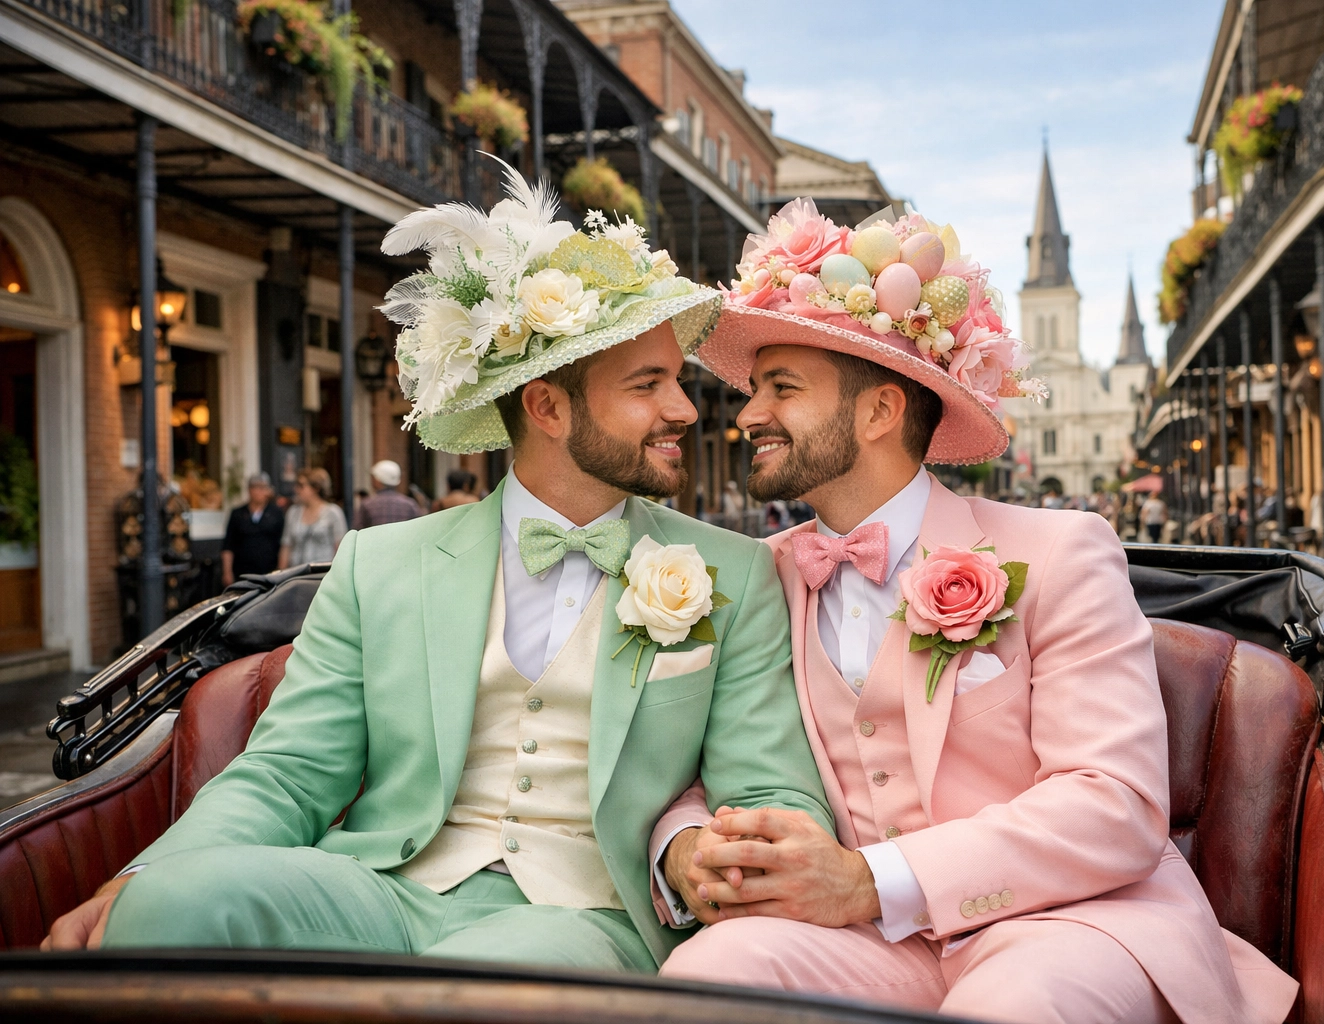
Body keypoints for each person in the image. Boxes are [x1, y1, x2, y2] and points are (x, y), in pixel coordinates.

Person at [43, 170, 831, 975]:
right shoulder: (380, 563)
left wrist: (727, 852)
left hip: (585, 915)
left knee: (484, 983)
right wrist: (141, 874)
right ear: (547, 410)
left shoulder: (732, 573)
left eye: (678, 380)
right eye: (647, 384)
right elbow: (288, 772)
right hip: (379, 887)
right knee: (167, 905)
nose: (687, 411)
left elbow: (771, 787)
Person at [644, 199, 1298, 1024]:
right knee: (709, 981)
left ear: (880, 411)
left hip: (1072, 922)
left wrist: (867, 880)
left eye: (781, 388)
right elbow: (683, 767)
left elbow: (1116, 804)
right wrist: (687, 845)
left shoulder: (1062, 552)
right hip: (871, 943)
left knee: (1015, 1007)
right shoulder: (756, 576)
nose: (746, 416)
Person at [220, 472, 285, 587]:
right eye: (255, 487)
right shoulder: (238, 513)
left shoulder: (276, 513)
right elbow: (228, 545)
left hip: (269, 571)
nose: (259, 492)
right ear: (249, 490)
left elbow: (283, 544)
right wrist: (227, 572)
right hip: (242, 572)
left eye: (263, 488)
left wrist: (281, 570)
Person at [278, 467, 347, 569]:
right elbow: (286, 546)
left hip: (323, 574)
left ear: (316, 488)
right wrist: (281, 575)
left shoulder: (333, 512)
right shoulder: (293, 512)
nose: (297, 490)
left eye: (301, 486)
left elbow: (341, 547)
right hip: (296, 574)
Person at [355, 460, 420, 528]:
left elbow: (358, 531)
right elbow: (418, 530)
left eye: (373, 477)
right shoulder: (410, 504)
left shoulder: (367, 504)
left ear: (378, 480)